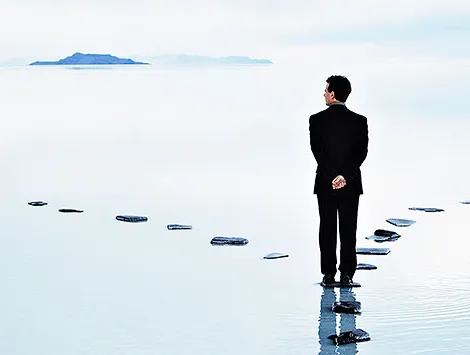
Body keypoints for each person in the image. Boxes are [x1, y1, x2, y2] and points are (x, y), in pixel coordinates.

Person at [309, 75, 369, 286]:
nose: (323, 93)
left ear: (333, 93)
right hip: (351, 184)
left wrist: (333, 176)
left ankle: (328, 275)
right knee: (348, 230)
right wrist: (344, 176)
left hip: (325, 183)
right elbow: (361, 154)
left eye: (326, 90)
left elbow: (318, 153)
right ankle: (347, 275)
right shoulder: (360, 121)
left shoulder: (316, 120)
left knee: (326, 230)